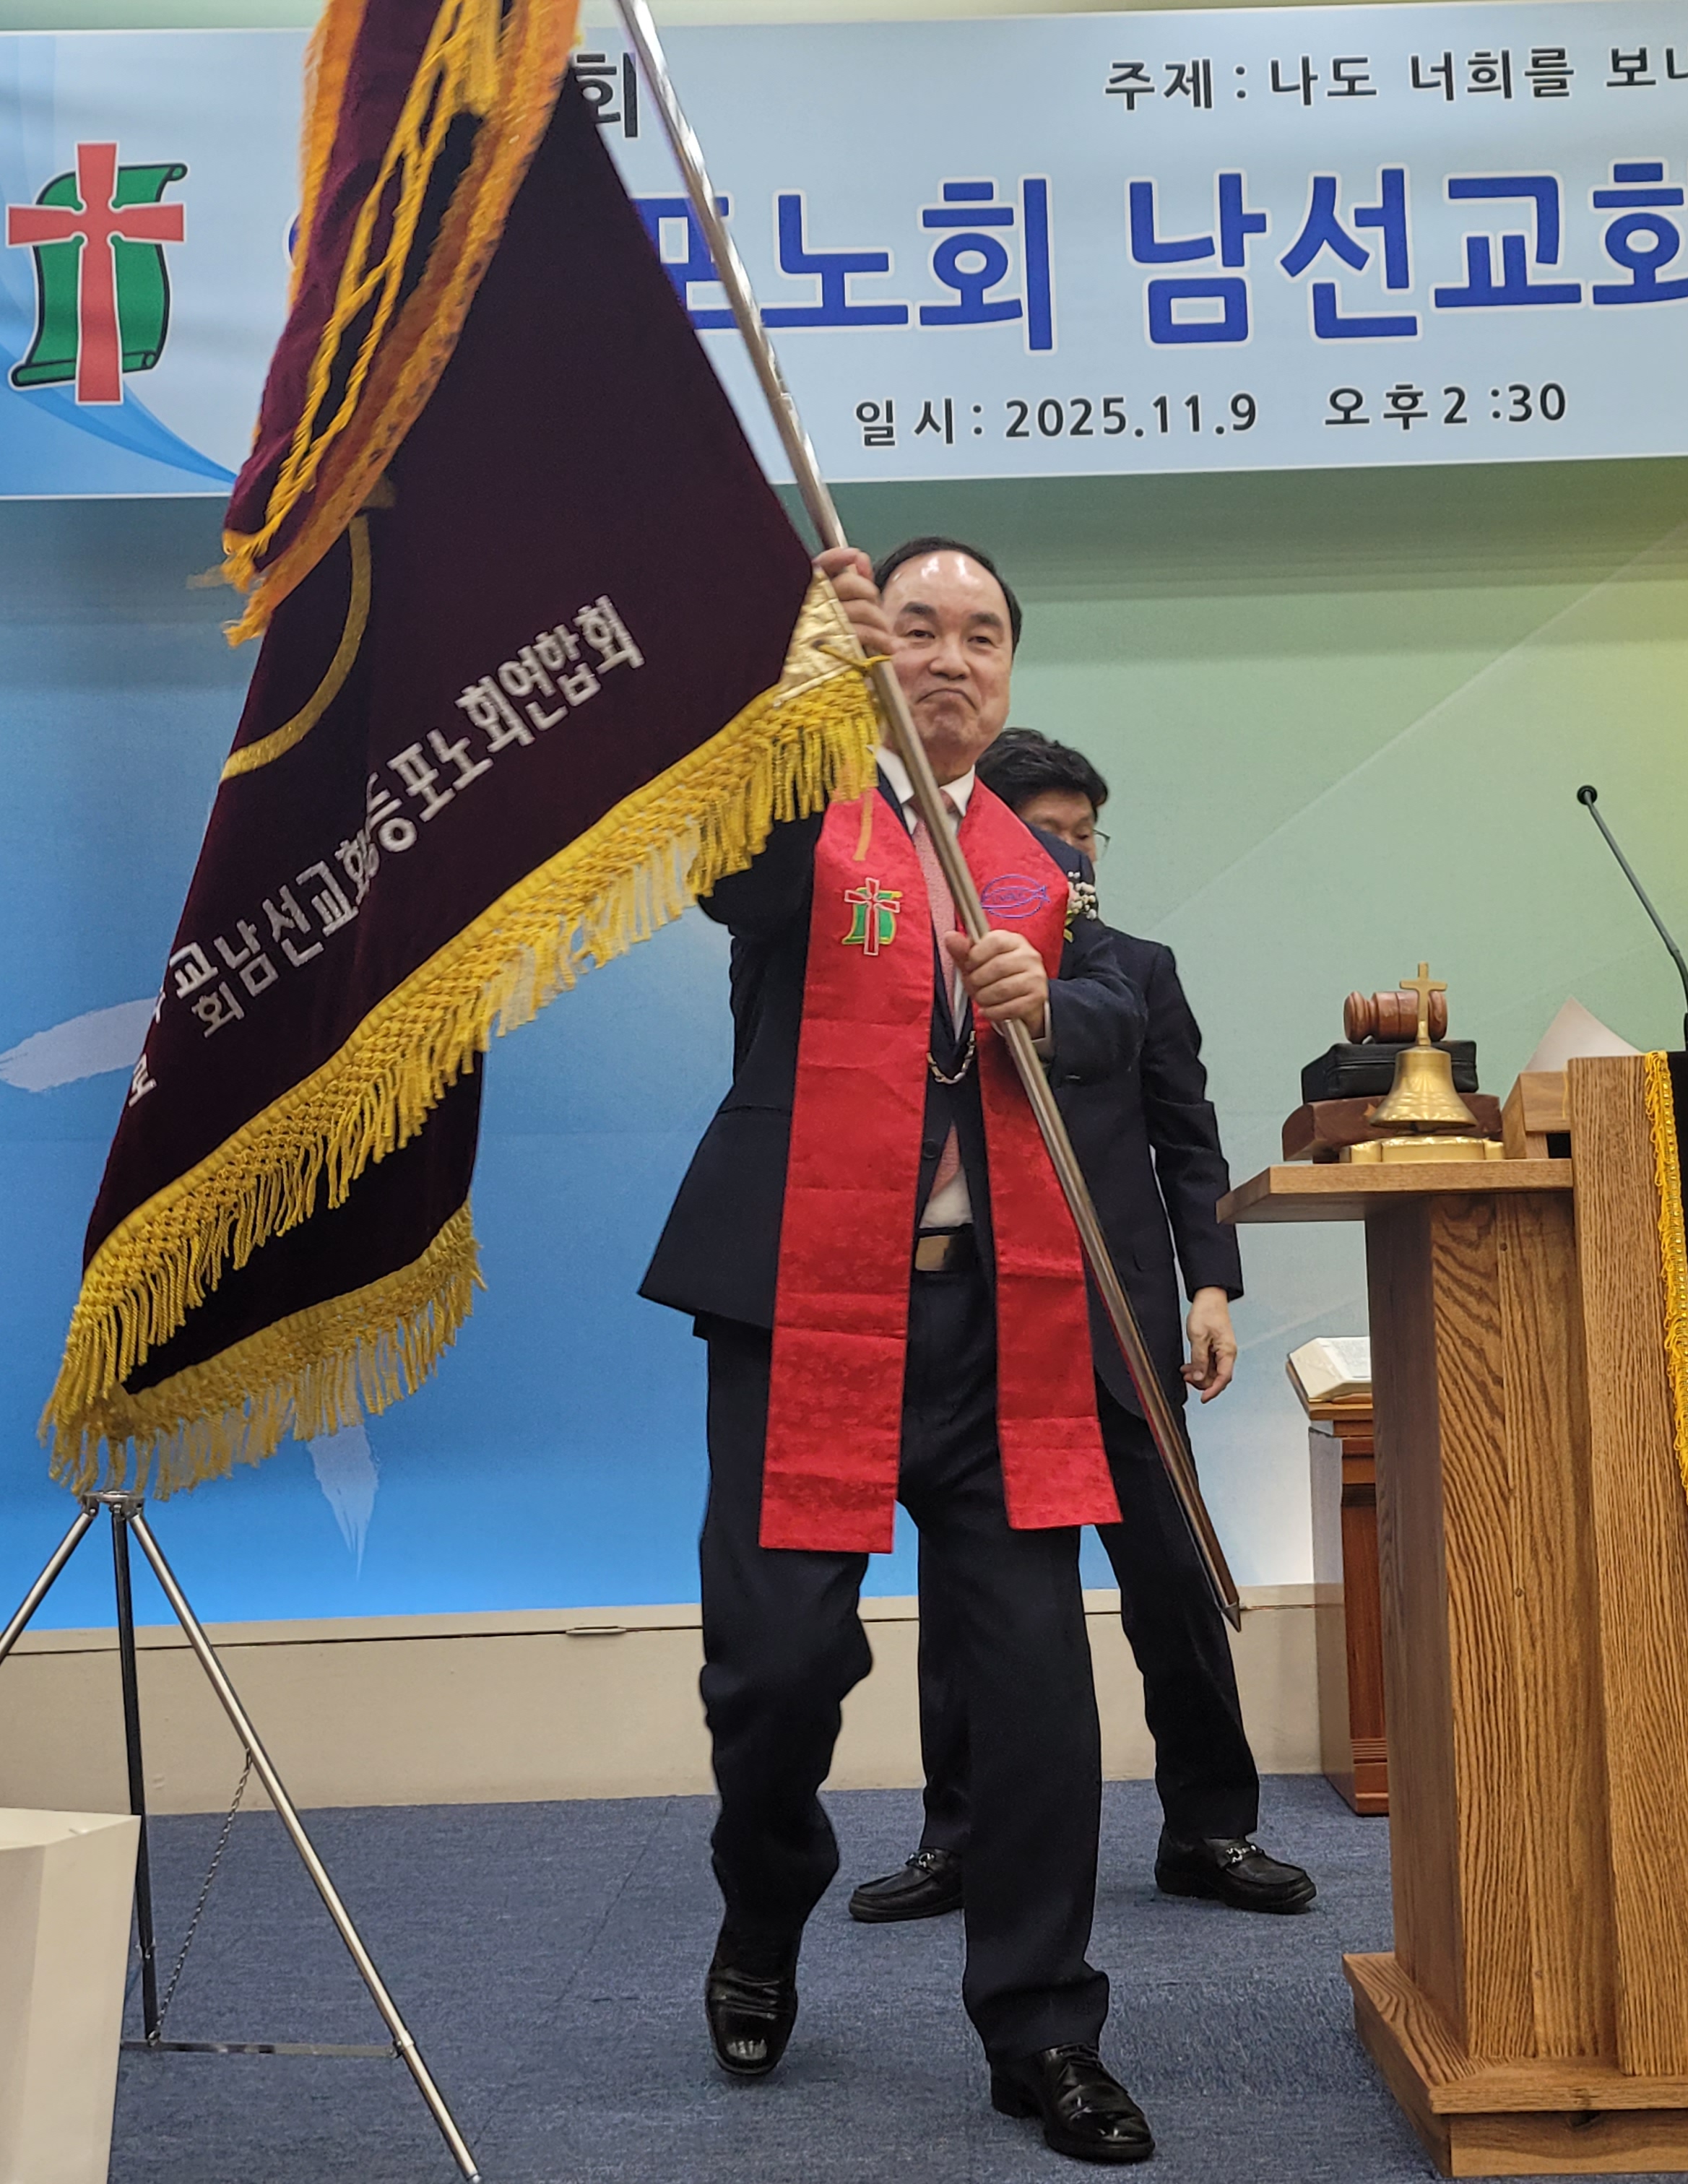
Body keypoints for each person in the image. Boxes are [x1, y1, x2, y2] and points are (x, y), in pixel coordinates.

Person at [640, 537, 1159, 2164]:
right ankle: (764, 1908)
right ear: (878, 656)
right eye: (917, 629)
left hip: (1000, 1326)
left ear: (1010, 671)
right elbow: (728, 872)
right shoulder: (806, 821)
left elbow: (1121, 1016)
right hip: (806, 1310)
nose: (950, 658)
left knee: (1035, 1695)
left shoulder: (1036, 864)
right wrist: (806, 688)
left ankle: (1045, 2030)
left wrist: (1047, 1002)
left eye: (981, 636)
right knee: (777, 1673)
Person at [849, 731, 1317, 1929]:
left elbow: (1188, 1141)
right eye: (1049, 833)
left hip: (1117, 1327)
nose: (1076, 855)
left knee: (1174, 1584)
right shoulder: (918, 969)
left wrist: (1210, 1291)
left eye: (1086, 834)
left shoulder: (1138, 970)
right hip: (977, 1334)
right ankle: (958, 1840)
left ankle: (1209, 1828)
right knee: (970, 1602)